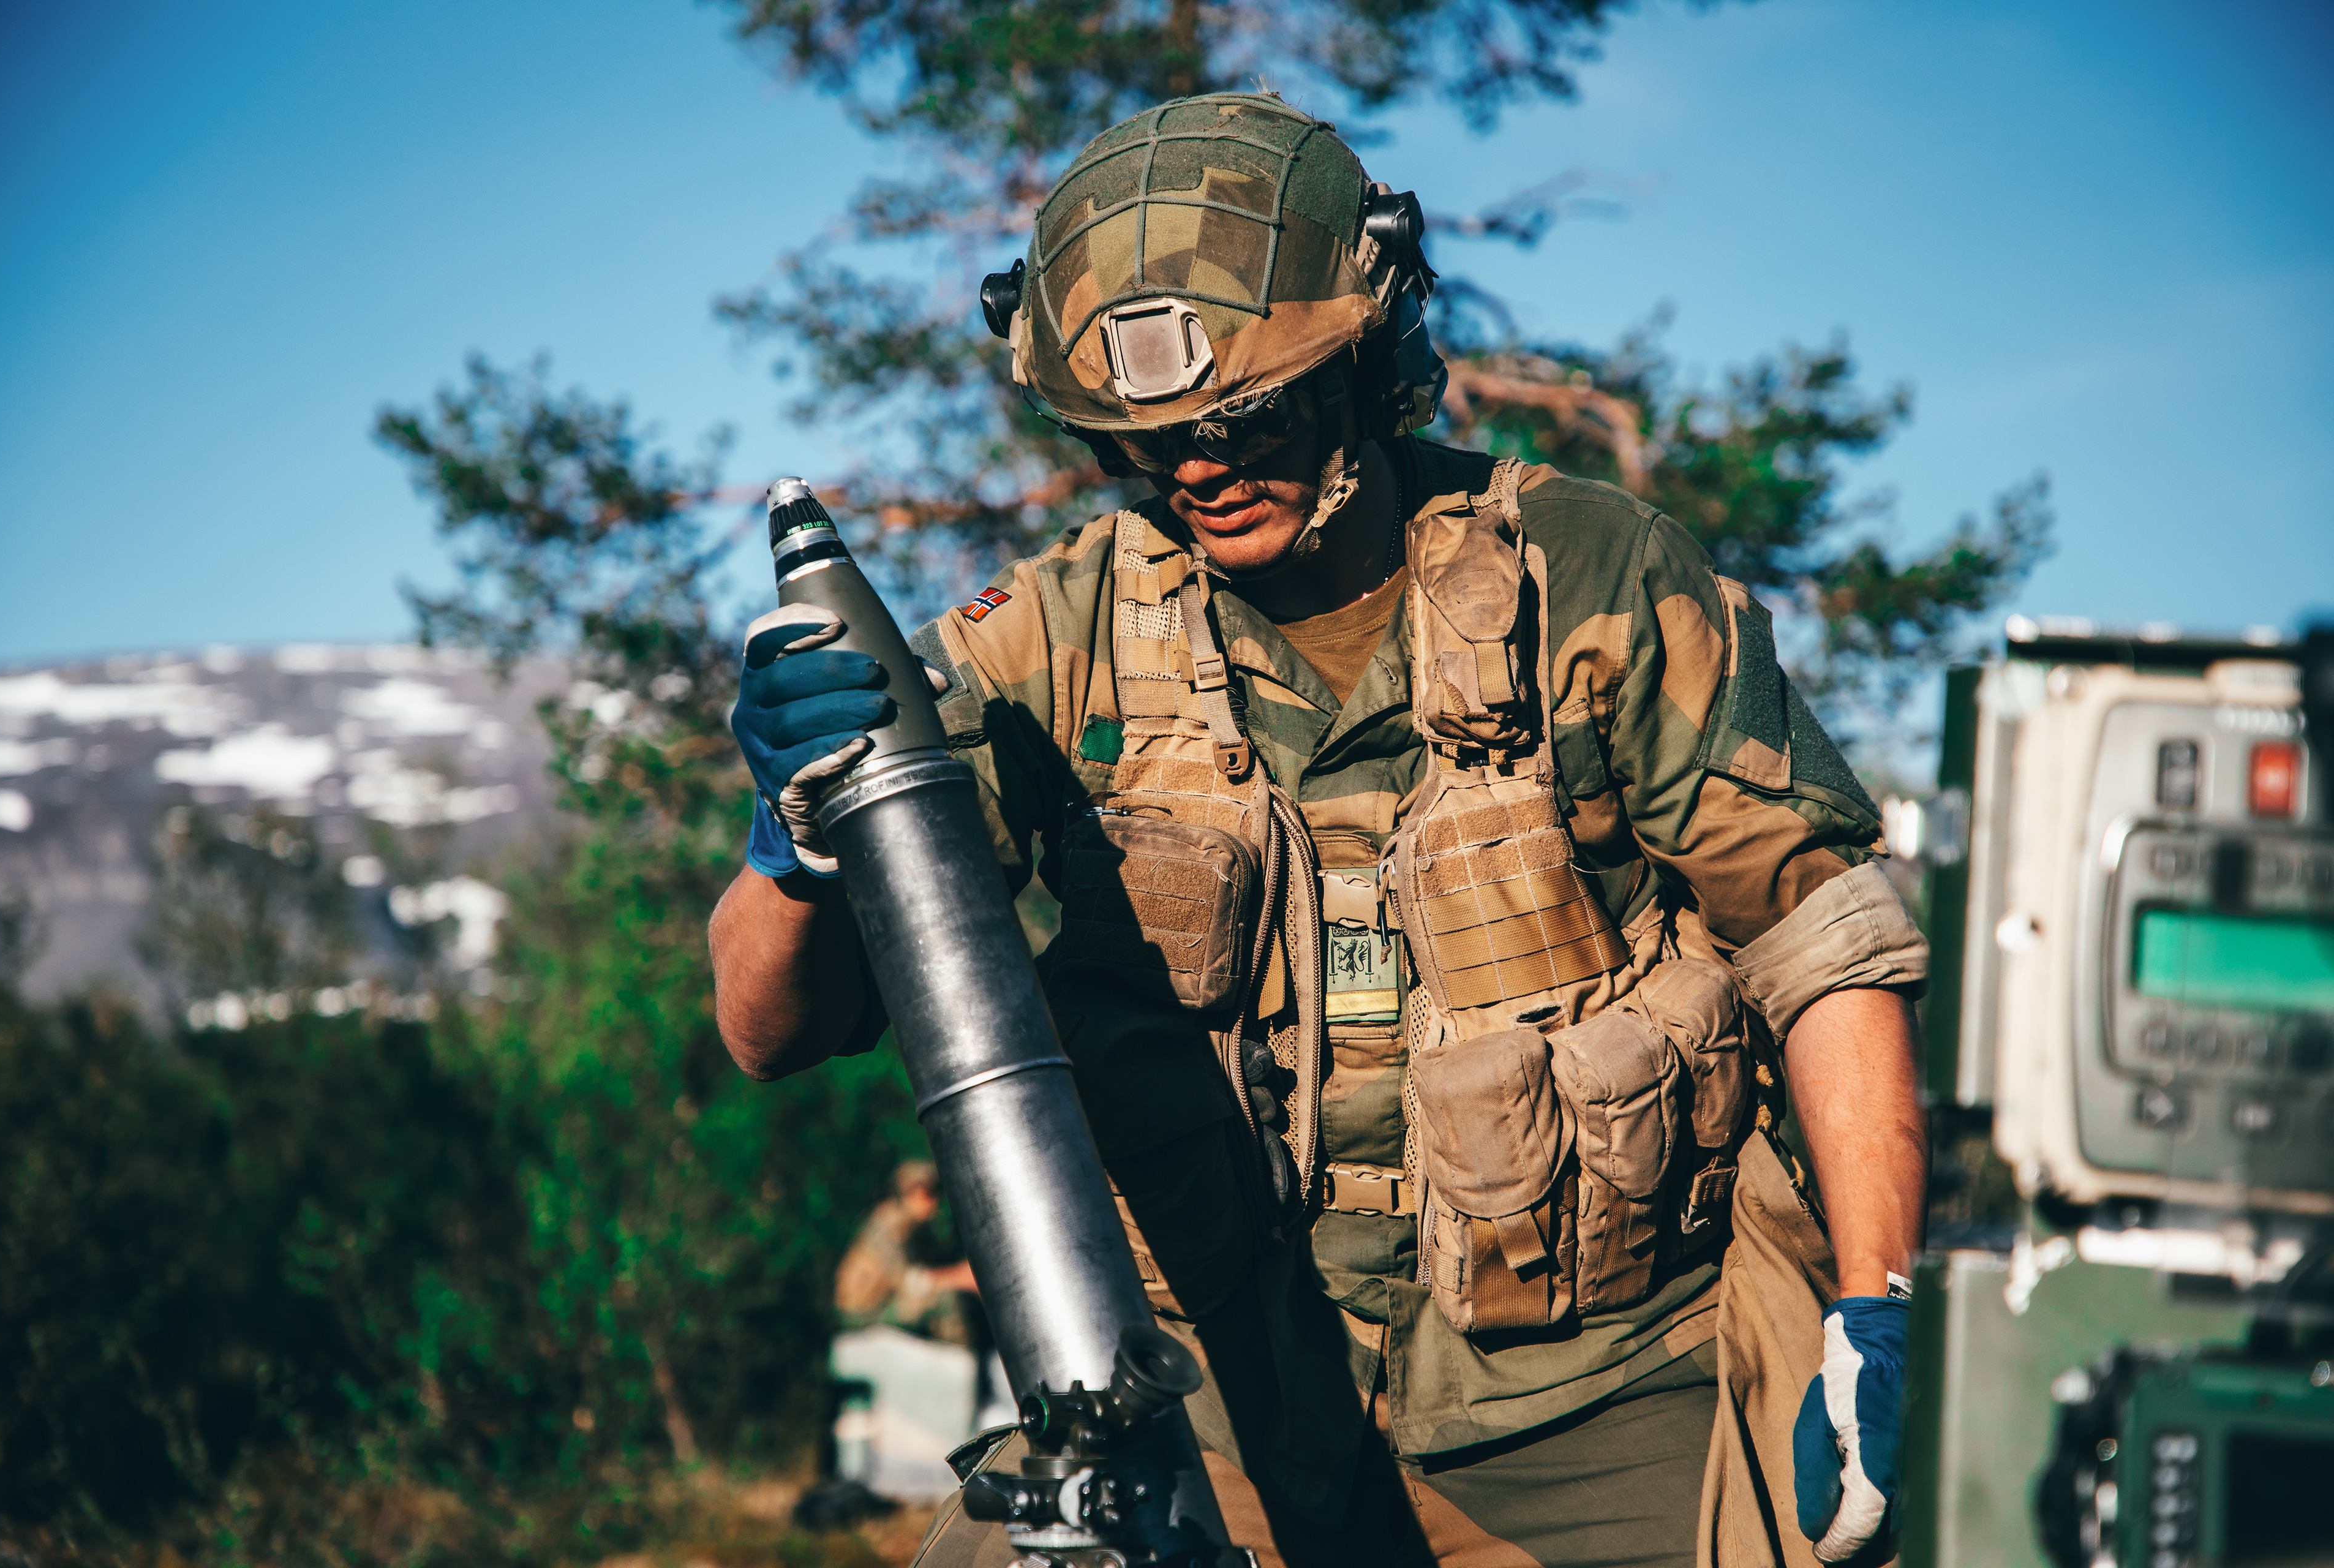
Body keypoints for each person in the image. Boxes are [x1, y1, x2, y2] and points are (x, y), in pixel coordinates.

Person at [712, 91, 1927, 1568]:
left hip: (1602, 1390)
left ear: (1364, 361)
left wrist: (1870, 1304)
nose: (1198, 469)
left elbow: (1819, 941)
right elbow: (770, 1028)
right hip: (1203, 1395)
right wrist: (801, 844)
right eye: (1142, 442)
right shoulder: (1050, 640)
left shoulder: (1589, 577)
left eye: (1247, 419)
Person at [834, 1159, 979, 1348]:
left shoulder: (907, 1226)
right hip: (862, 1315)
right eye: (927, 1194)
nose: (934, 1202)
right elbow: (907, 1281)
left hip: (878, 1306)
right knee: (944, 1298)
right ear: (909, 1193)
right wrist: (959, 1277)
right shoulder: (889, 1224)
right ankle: (961, 1358)